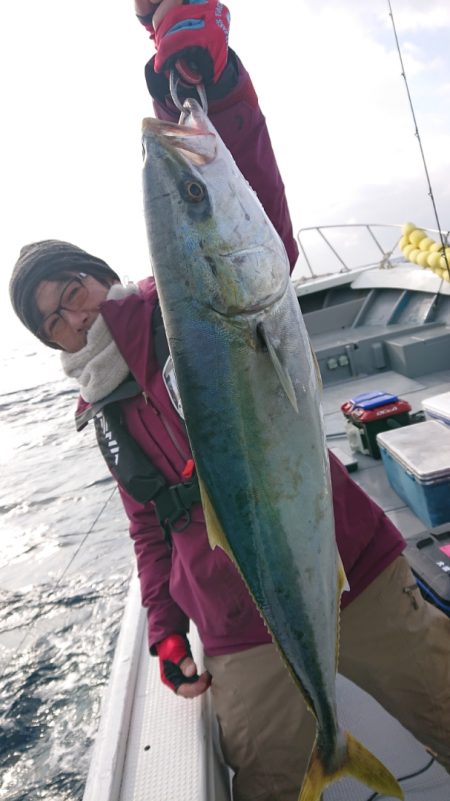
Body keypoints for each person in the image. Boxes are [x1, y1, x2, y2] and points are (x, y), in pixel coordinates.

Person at [9, 1, 450, 799]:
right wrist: (165, 628)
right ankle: (331, 745)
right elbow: (148, 526)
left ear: (102, 277)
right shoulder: (106, 410)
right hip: (237, 629)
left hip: (354, 565)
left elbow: (246, 212)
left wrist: (200, 80)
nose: (72, 317)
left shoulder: (183, 307)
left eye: (72, 290)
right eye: (52, 321)